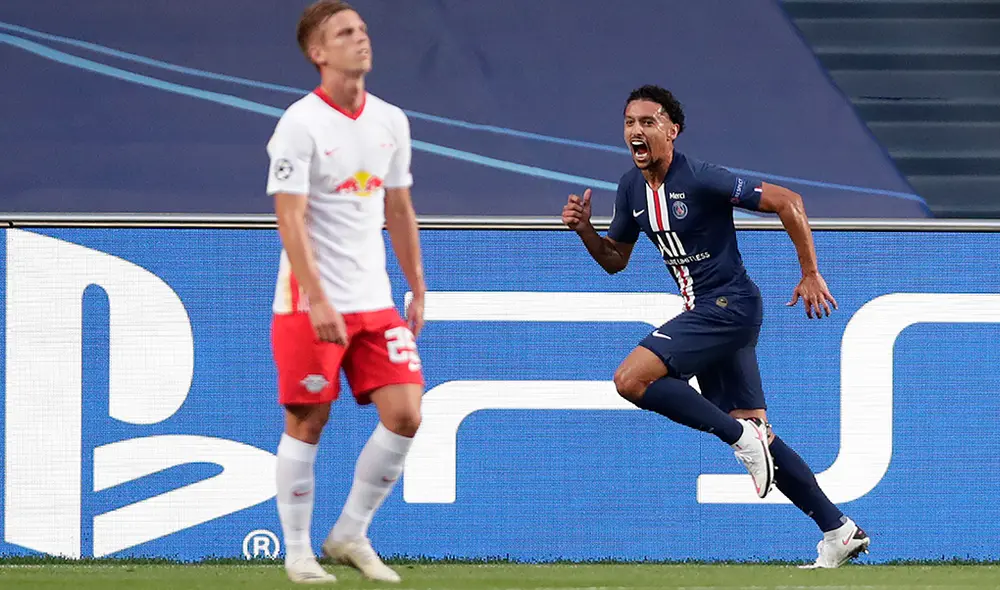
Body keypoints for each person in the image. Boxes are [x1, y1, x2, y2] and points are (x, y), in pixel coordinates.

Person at [561, 85, 870, 569]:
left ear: (672, 130)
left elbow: (789, 201)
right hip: (714, 312)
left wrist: (810, 272)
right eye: (628, 122)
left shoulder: (703, 178)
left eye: (647, 121)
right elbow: (615, 260)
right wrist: (585, 231)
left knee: (631, 380)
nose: (635, 131)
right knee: (760, 433)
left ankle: (737, 436)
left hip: (728, 306)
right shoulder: (630, 189)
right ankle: (838, 529)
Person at [265, 0, 425, 583]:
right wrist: (320, 297)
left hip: (375, 300)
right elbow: (289, 218)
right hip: (309, 302)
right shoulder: (299, 123)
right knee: (308, 420)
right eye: (345, 33)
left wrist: (417, 287)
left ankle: (350, 532)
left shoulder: (390, 120)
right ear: (318, 52)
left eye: (362, 29)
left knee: (406, 413)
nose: (361, 39)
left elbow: (399, 209)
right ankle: (299, 552)